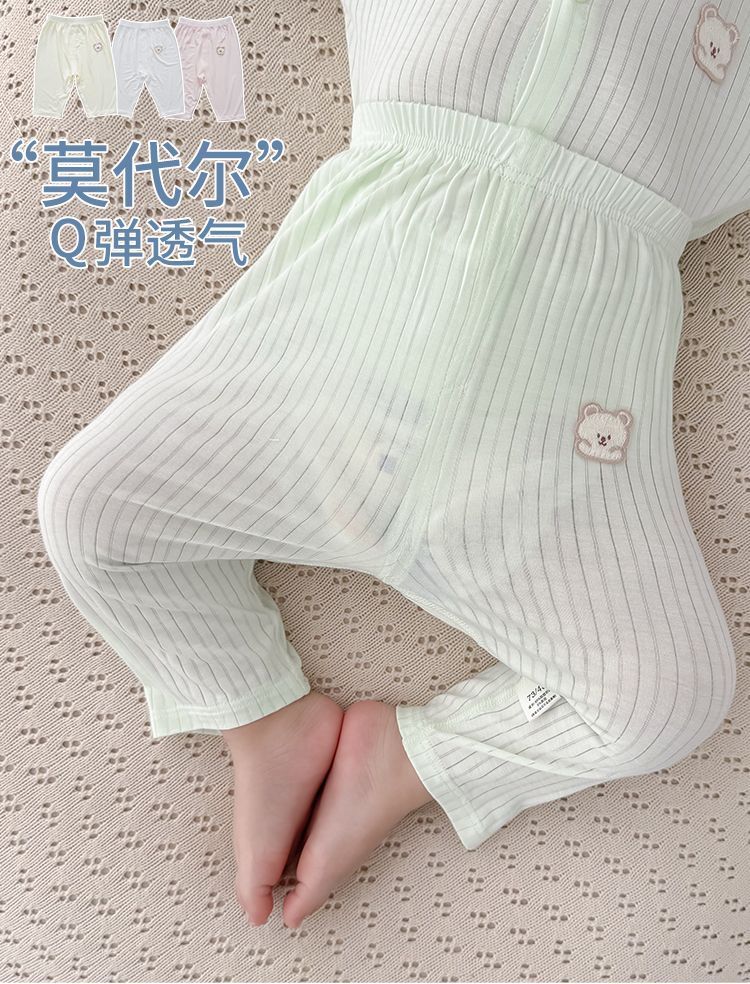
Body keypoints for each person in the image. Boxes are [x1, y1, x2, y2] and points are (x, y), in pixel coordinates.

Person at [37, 0, 747, 928]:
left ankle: (403, 762)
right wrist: (248, 698)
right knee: (87, 510)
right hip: (329, 347)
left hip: (562, 448)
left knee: (666, 699)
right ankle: (263, 718)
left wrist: (439, 755)